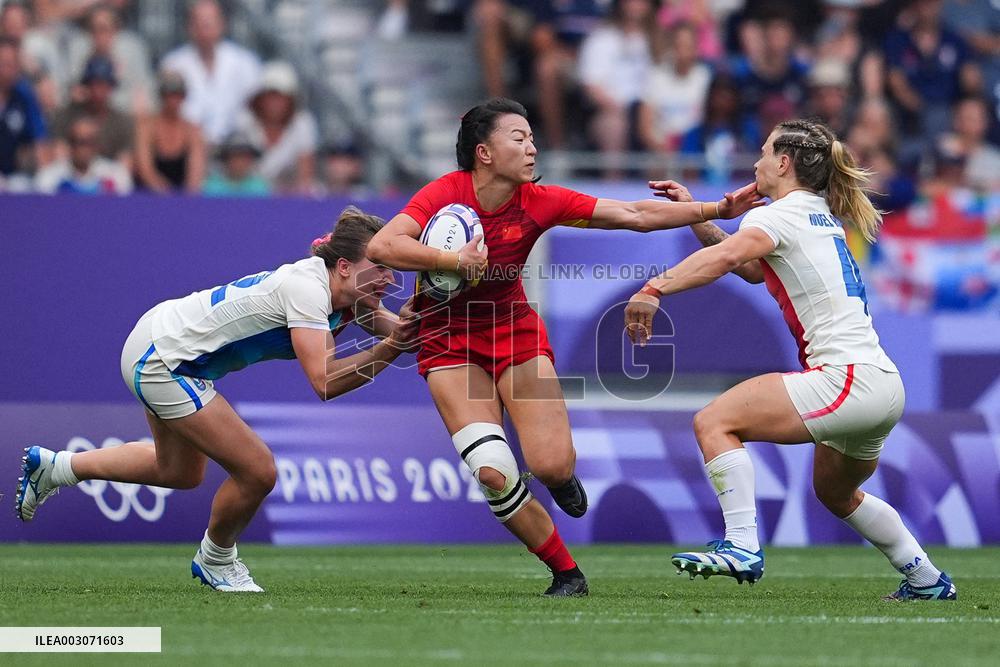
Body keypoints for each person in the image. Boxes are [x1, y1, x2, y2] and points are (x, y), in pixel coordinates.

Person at [366, 97, 762, 597]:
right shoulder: (445, 195)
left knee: (551, 464)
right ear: (484, 153)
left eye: (533, 137)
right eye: (520, 138)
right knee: (492, 470)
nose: (533, 147)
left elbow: (633, 213)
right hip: (446, 340)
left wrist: (715, 208)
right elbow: (383, 246)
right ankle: (566, 572)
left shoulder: (540, 199)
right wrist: (450, 259)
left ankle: (560, 479)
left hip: (515, 334)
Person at [623, 118, 956, 601]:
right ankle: (925, 578)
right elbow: (753, 269)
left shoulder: (778, 215)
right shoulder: (817, 215)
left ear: (783, 163)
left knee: (714, 422)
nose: (755, 162)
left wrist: (654, 288)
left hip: (846, 380)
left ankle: (741, 545)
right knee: (836, 493)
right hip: (881, 383)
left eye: (762, 153)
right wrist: (697, 217)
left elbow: (725, 259)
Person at [16, 207, 419, 593]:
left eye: (390, 267)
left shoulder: (346, 292)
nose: (388, 276)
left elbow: (396, 327)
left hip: (160, 339)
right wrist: (391, 347)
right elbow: (325, 382)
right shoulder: (308, 289)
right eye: (379, 265)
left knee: (178, 471)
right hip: (161, 359)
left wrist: (422, 326)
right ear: (345, 266)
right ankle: (216, 560)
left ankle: (55, 468)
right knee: (258, 470)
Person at [160, 0, 261, 144]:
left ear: (222, 24)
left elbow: (257, 109)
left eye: (208, 24)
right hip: (189, 146)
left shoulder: (245, 62)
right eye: (198, 24)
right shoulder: (173, 64)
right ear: (189, 27)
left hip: (236, 149)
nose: (203, 31)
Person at [235, 61, 318, 194]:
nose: (274, 103)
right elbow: (237, 168)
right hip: (250, 193)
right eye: (270, 96)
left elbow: (305, 175)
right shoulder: (244, 122)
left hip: (289, 195)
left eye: (280, 97)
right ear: (260, 98)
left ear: (290, 100)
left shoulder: (303, 124)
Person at [134, 70, 206, 194]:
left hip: (182, 198)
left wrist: (184, 202)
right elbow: (145, 169)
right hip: (150, 196)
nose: (173, 99)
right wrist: (166, 197)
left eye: (178, 94)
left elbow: (195, 175)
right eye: (169, 94)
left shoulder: (192, 131)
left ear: (184, 97)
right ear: (161, 95)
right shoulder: (147, 128)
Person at [34, 115, 131, 194]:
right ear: (69, 144)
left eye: (89, 142)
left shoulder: (115, 175)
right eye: (78, 142)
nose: (84, 149)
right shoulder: (50, 178)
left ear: (97, 145)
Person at [202, 129, 270, 197]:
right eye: (235, 156)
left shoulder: (259, 187)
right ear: (226, 159)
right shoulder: (212, 187)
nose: (240, 162)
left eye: (244, 157)